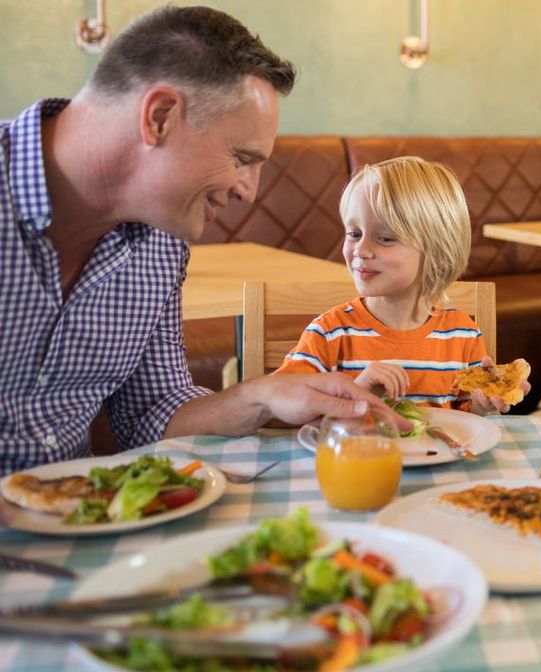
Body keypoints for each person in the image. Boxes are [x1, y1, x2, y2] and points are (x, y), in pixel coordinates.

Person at [0, 6, 403, 475]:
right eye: (241, 158)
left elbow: (152, 412)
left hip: (72, 526)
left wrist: (262, 395)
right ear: (161, 116)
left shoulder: (161, 245)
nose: (247, 191)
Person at [273, 157, 526, 414]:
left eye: (384, 238)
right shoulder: (329, 333)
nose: (361, 250)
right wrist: (356, 393)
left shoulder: (463, 335)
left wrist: (483, 407)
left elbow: (464, 414)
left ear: (437, 253)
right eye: (354, 233)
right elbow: (275, 405)